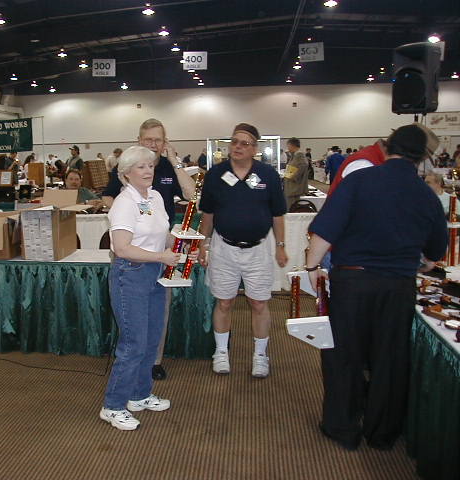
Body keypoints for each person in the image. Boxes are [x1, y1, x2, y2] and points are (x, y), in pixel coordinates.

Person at [305, 124, 447, 451]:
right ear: (421, 157)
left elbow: (325, 231)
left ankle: (342, 426)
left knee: (344, 355)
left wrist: (312, 267)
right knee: (389, 359)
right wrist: (420, 260)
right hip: (398, 285)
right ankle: (382, 432)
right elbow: (435, 251)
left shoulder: (359, 181)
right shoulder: (426, 194)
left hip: (353, 282)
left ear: (388, 146)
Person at [100, 145, 197, 431]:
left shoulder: (153, 197)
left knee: (151, 340)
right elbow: (122, 248)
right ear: (126, 173)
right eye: (140, 167)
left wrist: (182, 248)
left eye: (150, 166)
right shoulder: (124, 203)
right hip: (130, 275)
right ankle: (113, 406)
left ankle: (139, 395)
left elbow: (163, 236)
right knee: (133, 344)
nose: (147, 171)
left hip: (155, 273)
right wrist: (160, 257)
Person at [198, 123, 288, 378]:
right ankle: (221, 352)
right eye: (234, 142)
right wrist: (203, 244)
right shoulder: (216, 174)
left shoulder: (268, 175)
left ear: (255, 148)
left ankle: (260, 355)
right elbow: (208, 214)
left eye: (244, 143)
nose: (237, 147)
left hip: (258, 250)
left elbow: (278, 215)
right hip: (223, 248)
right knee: (224, 301)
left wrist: (280, 246)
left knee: (259, 302)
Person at [283, 137, 309, 210]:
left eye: (288, 146)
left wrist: (291, 176)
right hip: (291, 187)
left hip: (294, 188)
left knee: (292, 208)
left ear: (292, 145)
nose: (288, 148)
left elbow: (301, 168)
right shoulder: (294, 156)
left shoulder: (299, 155)